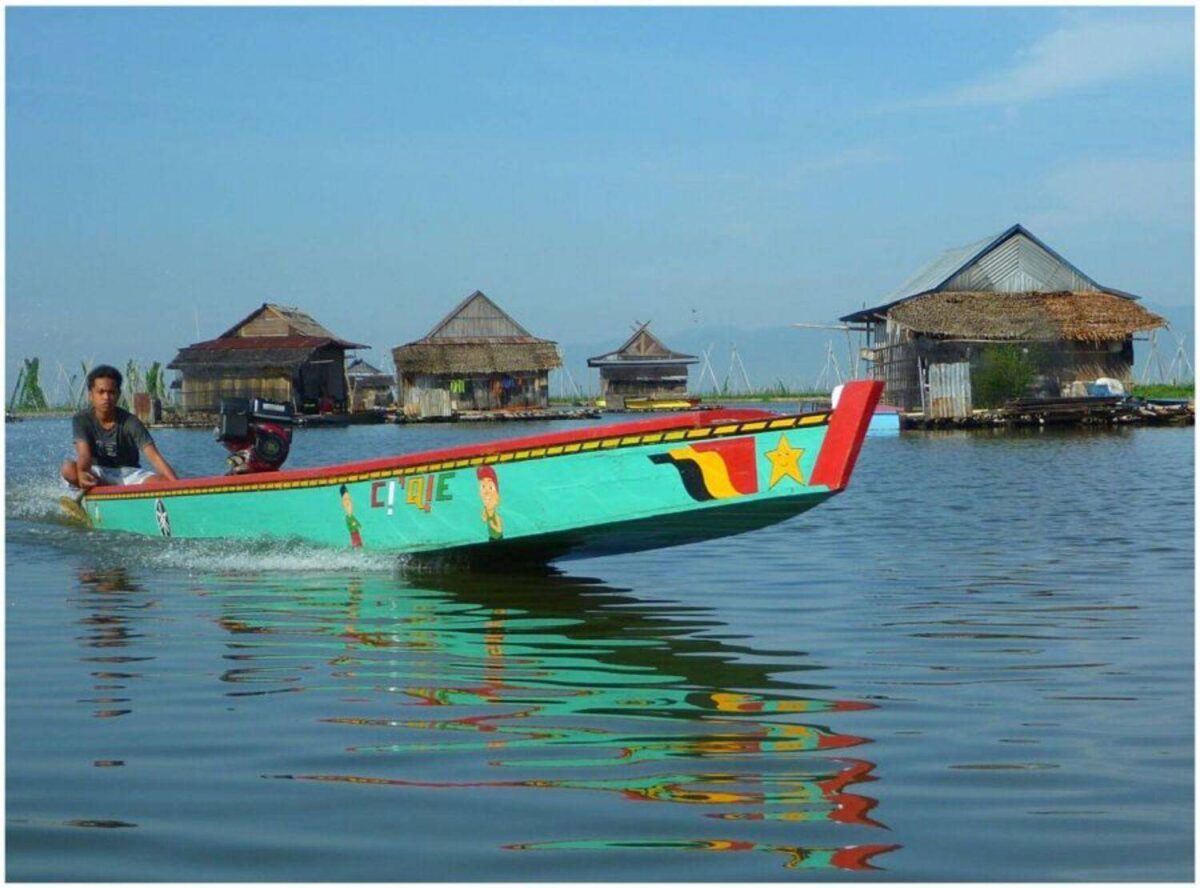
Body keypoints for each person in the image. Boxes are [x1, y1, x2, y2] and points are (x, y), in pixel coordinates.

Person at [61, 365, 179, 490]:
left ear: (118, 395)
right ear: (91, 395)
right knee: (68, 468)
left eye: (111, 392)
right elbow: (84, 454)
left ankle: (113, 491)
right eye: (101, 392)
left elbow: (154, 457)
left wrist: (177, 485)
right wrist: (82, 473)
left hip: (130, 474)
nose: (106, 397)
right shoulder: (82, 419)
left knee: (163, 481)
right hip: (98, 472)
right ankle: (99, 490)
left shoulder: (131, 422)